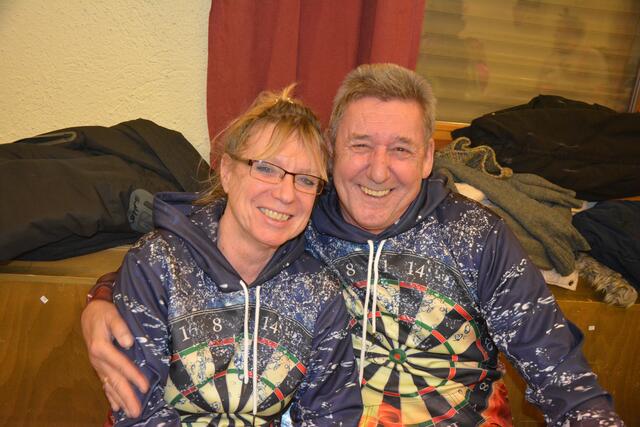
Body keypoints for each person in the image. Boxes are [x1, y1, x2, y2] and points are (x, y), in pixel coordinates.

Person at [82, 64, 623, 426]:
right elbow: (199, 246)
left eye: (401, 150)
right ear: (333, 149)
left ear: (428, 159)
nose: (378, 171)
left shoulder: (478, 236)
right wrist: (105, 296)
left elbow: (562, 374)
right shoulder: (296, 217)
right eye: (361, 145)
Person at [83, 84, 362, 426]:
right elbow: (137, 411)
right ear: (227, 172)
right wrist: (99, 296)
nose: (286, 194)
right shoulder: (159, 262)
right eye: (266, 168)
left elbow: (331, 414)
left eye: (305, 180)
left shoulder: (318, 289)